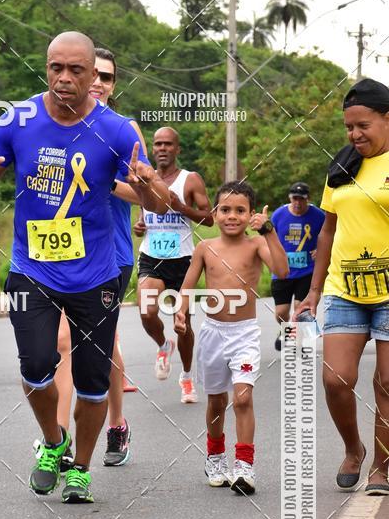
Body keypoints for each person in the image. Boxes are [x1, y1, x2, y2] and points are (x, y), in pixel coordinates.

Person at [0, 31, 167, 503]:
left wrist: (148, 186)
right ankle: (55, 443)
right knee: (34, 368)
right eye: (56, 68)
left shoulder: (117, 131)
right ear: (46, 67)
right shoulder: (20, 118)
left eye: (76, 70)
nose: (64, 78)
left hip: (95, 274)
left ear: (94, 76)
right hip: (33, 269)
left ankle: (82, 469)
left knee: (92, 382)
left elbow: (157, 201)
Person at [53, 46, 156, 468]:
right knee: (62, 342)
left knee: (100, 342)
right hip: (57, 248)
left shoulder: (123, 129)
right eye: (93, 74)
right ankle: (57, 439)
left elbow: (145, 194)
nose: (98, 83)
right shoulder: (56, 121)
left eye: (107, 78)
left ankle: (115, 424)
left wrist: (105, 182)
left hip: (108, 252)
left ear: (113, 85)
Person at [296, 78, 389, 495]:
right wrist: (315, 290)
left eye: (363, 126)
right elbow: (328, 232)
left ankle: (382, 469)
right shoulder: (343, 165)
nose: (354, 135)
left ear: (387, 120)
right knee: (336, 380)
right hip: (344, 288)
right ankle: (354, 449)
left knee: (387, 383)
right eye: (349, 127)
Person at [174, 181, 288, 494]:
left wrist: (269, 230)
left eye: (240, 210)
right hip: (212, 332)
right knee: (216, 400)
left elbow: (282, 269)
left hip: (244, 333)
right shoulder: (205, 247)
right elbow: (187, 286)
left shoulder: (256, 245)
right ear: (215, 212)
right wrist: (181, 313)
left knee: (243, 398)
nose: (232, 216)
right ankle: (215, 456)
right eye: (225, 209)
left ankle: (244, 466)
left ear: (251, 214)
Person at [135, 126, 213, 401]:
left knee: (183, 323)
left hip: (182, 259)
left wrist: (182, 208)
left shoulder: (190, 180)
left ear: (177, 149)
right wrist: (140, 226)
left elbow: (209, 218)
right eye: (158, 144)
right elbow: (143, 213)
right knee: (146, 311)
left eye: (168, 144)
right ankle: (162, 344)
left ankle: (187, 377)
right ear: (152, 149)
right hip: (151, 257)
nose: (163, 148)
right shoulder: (144, 177)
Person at [270, 181, 324, 350]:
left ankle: (300, 344)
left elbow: (331, 234)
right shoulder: (279, 215)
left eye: (302, 199)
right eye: (295, 199)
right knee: (281, 312)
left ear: (308, 199)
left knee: (299, 309)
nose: (298, 203)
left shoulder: (318, 215)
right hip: (283, 271)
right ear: (290, 198)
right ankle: (285, 330)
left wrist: (320, 249)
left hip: (307, 271)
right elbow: (268, 238)